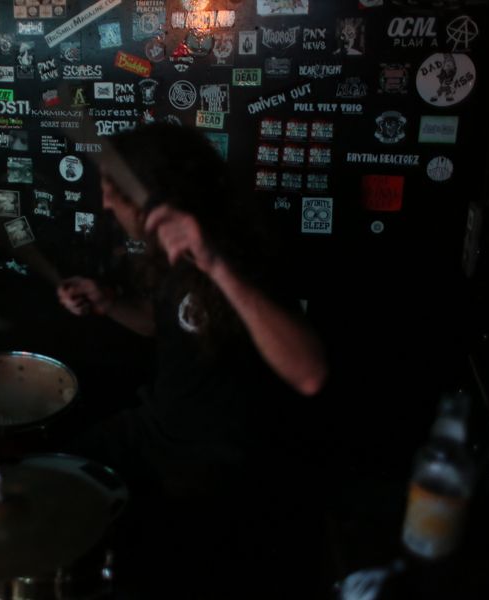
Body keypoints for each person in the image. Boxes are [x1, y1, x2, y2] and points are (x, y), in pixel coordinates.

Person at [55, 123, 329, 598]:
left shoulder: (242, 251)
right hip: (158, 428)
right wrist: (108, 303)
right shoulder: (169, 253)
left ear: (153, 194)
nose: (105, 205)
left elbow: (309, 374)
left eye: (114, 193)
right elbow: (164, 325)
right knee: (56, 474)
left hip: (217, 457)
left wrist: (215, 263)